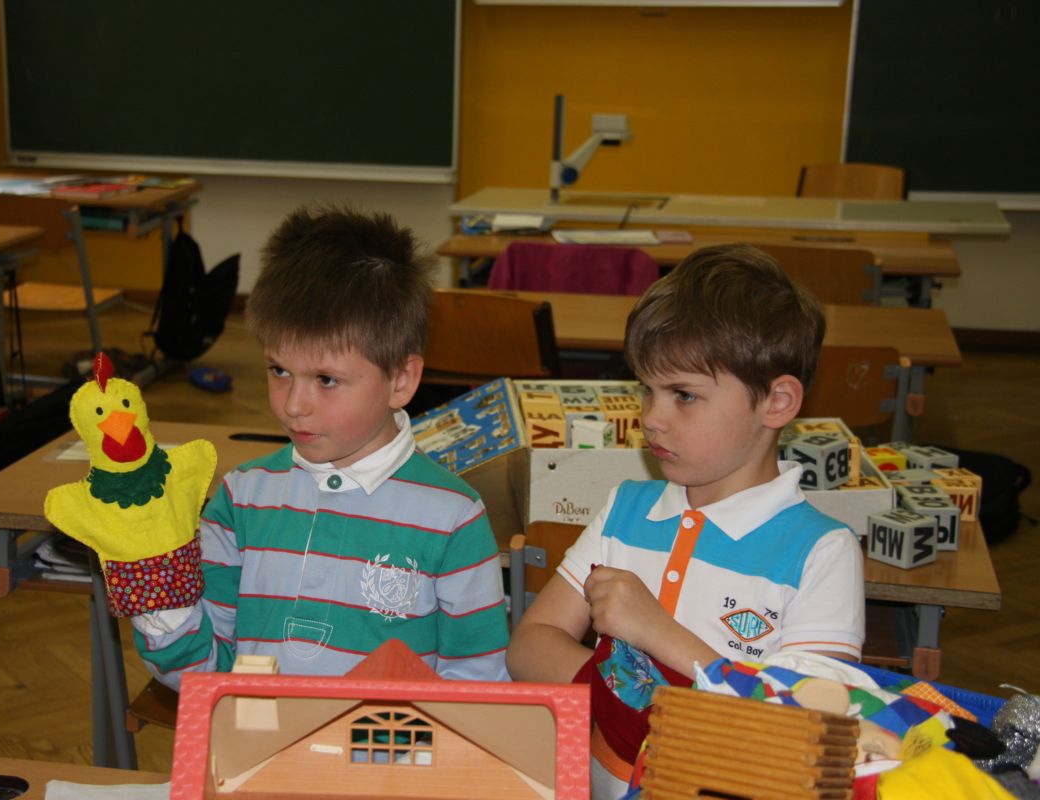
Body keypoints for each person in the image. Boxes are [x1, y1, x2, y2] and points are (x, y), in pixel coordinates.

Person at [506, 243, 865, 797]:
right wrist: (627, 698)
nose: (652, 418)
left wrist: (658, 635)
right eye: (647, 390)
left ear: (776, 402)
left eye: (684, 396)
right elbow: (529, 646)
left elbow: (802, 730)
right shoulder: (626, 509)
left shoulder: (821, 552)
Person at [131, 205, 510, 684]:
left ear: (400, 380)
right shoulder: (242, 497)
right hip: (257, 732)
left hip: (392, 736)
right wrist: (157, 590)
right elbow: (201, 673)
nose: (293, 405)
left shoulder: (453, 517)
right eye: (279, 370)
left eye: (326, 379)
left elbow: (477, 682)